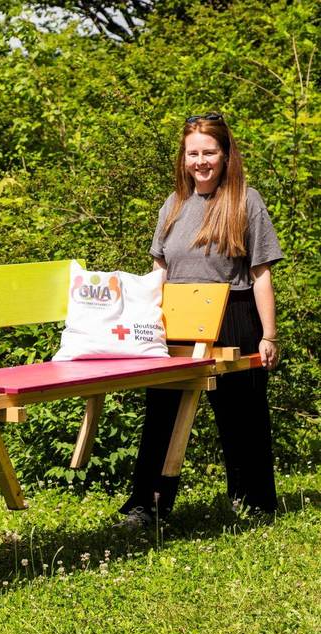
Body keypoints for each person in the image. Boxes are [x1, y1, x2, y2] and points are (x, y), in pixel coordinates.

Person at [117, 113, 282, 528]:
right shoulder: (172, 205)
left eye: (209, 152)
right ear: (183, 157)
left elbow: (261, 272)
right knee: (162, 414)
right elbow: (159, 271)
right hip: (177, 320)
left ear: (226, 156)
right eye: (194, 153)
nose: (201, 161)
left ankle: (253, 504)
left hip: (233, 315)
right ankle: (147, 506)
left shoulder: (247, 201)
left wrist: (269, 335)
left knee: (242, 416)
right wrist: (142, 325)